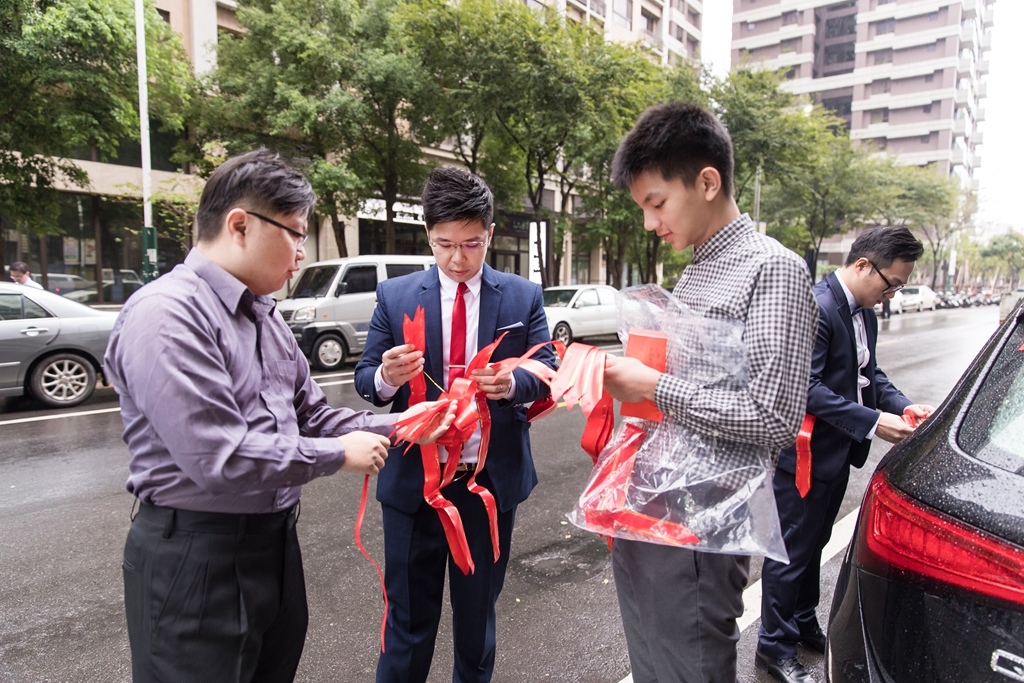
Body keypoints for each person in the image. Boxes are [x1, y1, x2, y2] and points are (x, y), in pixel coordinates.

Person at [104, 149, 455, 683]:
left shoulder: (266, 319)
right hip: (196, 556)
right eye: (294, 234)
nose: (299, 252)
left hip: (273, 545)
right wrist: (339, 455)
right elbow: (218, 455)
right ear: (240, 225)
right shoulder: (168, 314)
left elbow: (311, 415)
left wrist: (405, 423)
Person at [600, 102, 819, 683]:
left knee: (688, 668)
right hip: (654, 509)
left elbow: (772, 418)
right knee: (652, 662)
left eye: (656, 203)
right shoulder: (697, 268)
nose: (650, 223)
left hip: (703, 525)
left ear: (707, 181)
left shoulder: (771, 269)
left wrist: (655, 385)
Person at [353, 166, 556, 683]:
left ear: (488, 233)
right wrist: (385, 375)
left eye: (471, 245)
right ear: (429, 236)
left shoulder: (521, 296)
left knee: (476, 621)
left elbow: (546, 366)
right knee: (408, 622)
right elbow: (365, 379)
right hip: (412, 485)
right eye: (444, 245)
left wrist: (512, 384)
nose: (458, 259)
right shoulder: (395, 297)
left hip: (484, 483)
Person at [756, 227, 933, 683]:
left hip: (836, 454)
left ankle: (802, 621)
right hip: (802, 455)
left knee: (813, 545)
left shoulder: (865, 315)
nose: (891, 293)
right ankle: (773, 647)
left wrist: (902, 406)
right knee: (790, 551)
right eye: (890, 283)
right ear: (861, 265)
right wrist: (874, 423)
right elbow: (806, 389)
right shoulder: (813, 307)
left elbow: (869, 374)